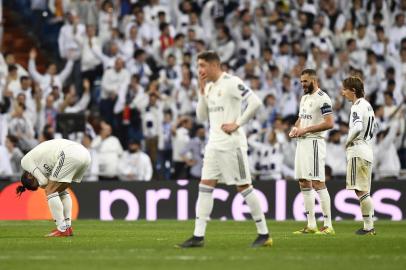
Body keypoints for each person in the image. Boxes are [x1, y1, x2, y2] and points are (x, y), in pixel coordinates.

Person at [177, 51, 272, 248]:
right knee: (205, 186)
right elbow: (202, 116)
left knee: (244, 187)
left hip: (231, 145)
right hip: (213, 145)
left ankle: (264, 234)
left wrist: (238, 123)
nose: (199, 70)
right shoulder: (209, 86)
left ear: (213, 65)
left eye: (202, 65)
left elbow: (255, 102)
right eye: (198, 66)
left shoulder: (231, 82)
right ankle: (198, 236)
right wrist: (201, 91)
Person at [289, 69, 335, 235]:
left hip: (315, 143)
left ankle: (328, 225)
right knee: (303, 181)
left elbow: (330, 123)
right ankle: (311, 225)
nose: (303, 85)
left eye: (305, 82)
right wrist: (295, 128)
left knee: (317, 182)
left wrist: (305, 130)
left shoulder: (323, 98)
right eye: (301, 82)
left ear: (314, 81)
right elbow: (301, 118)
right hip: (302, 143)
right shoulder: (304, 98)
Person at [16, 139, 91, 237]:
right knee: (62, 191)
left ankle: (61, 228)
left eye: (36, 183)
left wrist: (45, 186)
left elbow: (43, 181)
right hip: (85, 155)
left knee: (50, 191)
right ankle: (67, 227)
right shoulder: (39, 163)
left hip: (70, 154)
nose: (39, 185)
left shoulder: (25, 162)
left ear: (29, 175)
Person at [341, 76, 376, 235]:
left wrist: (347, 142)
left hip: (358, 150)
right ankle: (368, 225)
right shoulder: (368, 106)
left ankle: (368, 227)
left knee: (361, 191)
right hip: (367, 149)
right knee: (364, 191)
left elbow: (357, 127)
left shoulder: (356, 106)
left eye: (345, 89)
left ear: (353, 91)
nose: (343, 93)